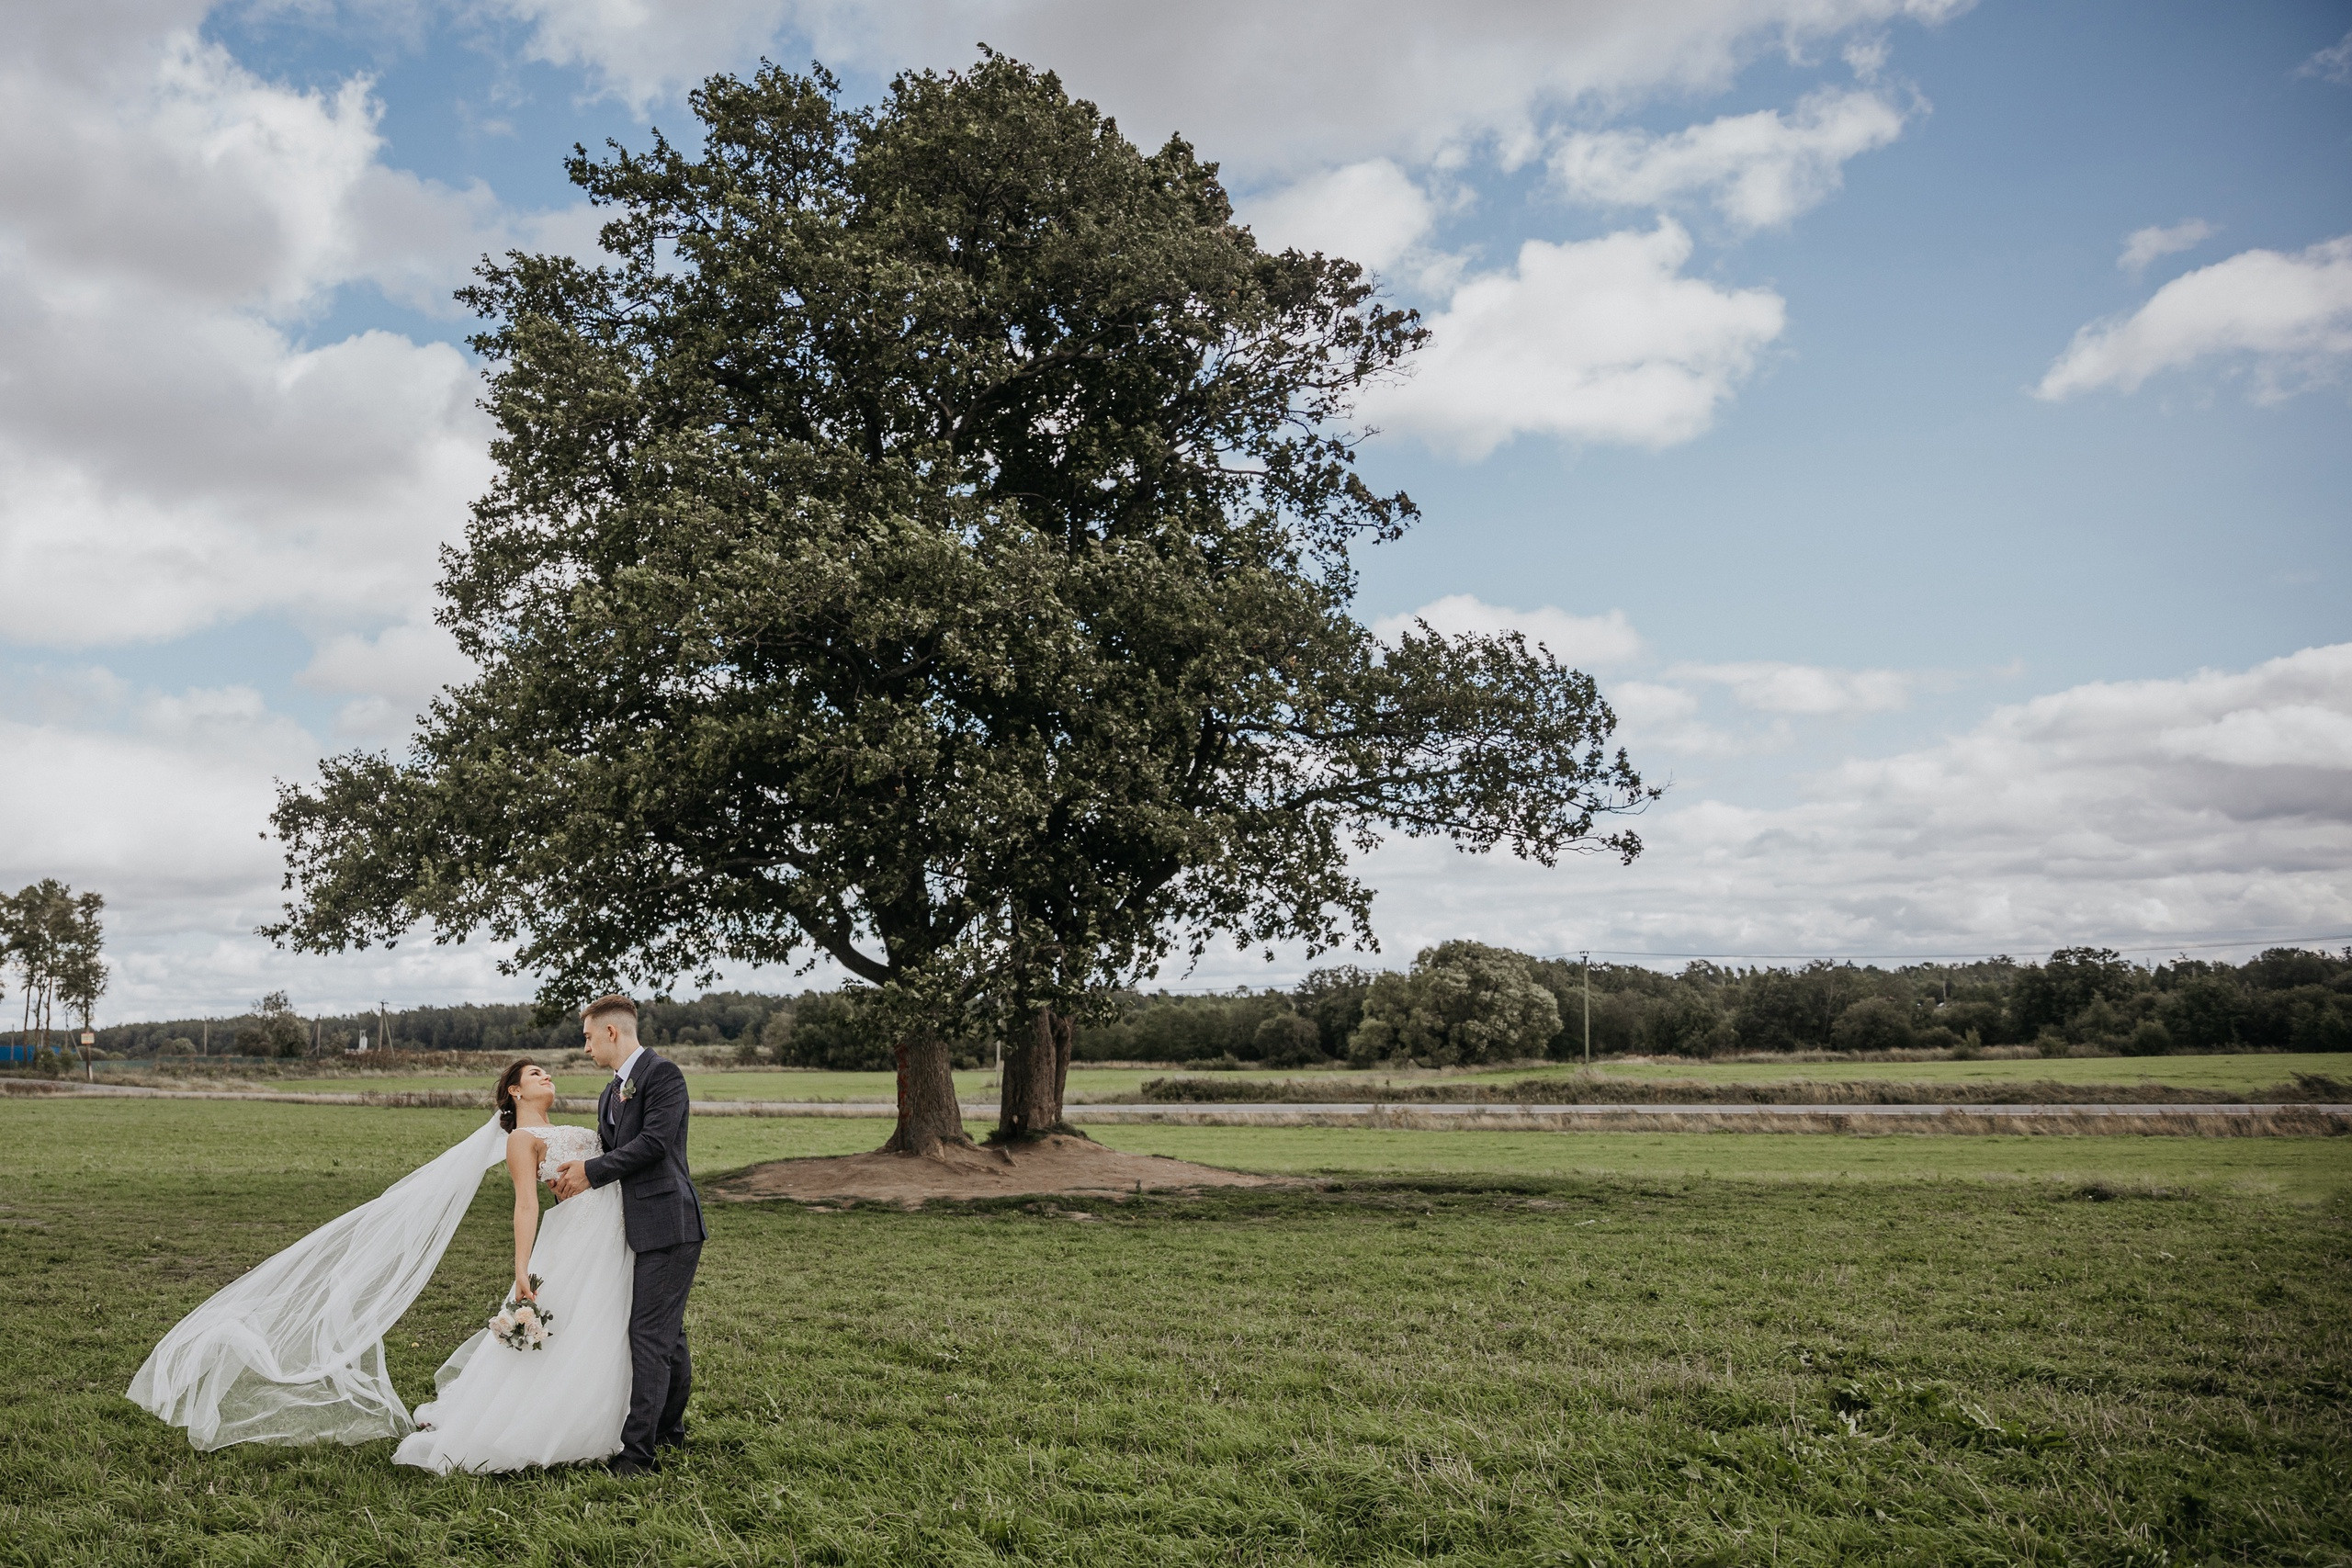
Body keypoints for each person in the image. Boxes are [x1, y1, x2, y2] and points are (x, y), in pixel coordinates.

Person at [390, 1058, 635, 1472]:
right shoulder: (522, 1138)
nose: (547, 1076)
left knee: (605, 1321)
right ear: (515, 1091)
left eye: (546, 1072)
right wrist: (522, 1269)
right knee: (572, 1322)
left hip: (611, 1232)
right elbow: (525, 1204)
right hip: (576, 1237)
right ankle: (548, 1422)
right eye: (535, 1074)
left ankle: (612, 1414)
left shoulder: (568, 1128)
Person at [552, 993, 707, 1475]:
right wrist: (570, 1178)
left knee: (649, 1336)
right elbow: (609, 1152)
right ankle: (669, 1431)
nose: (585, 1048)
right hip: (635, 1227)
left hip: (670, 1224)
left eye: (588, 1037)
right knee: (667, 1336)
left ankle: (638, 1456)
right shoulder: (609, 1093)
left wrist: (591, 1172)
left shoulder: (664, 1076)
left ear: (611, 1032)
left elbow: (654, 1144)